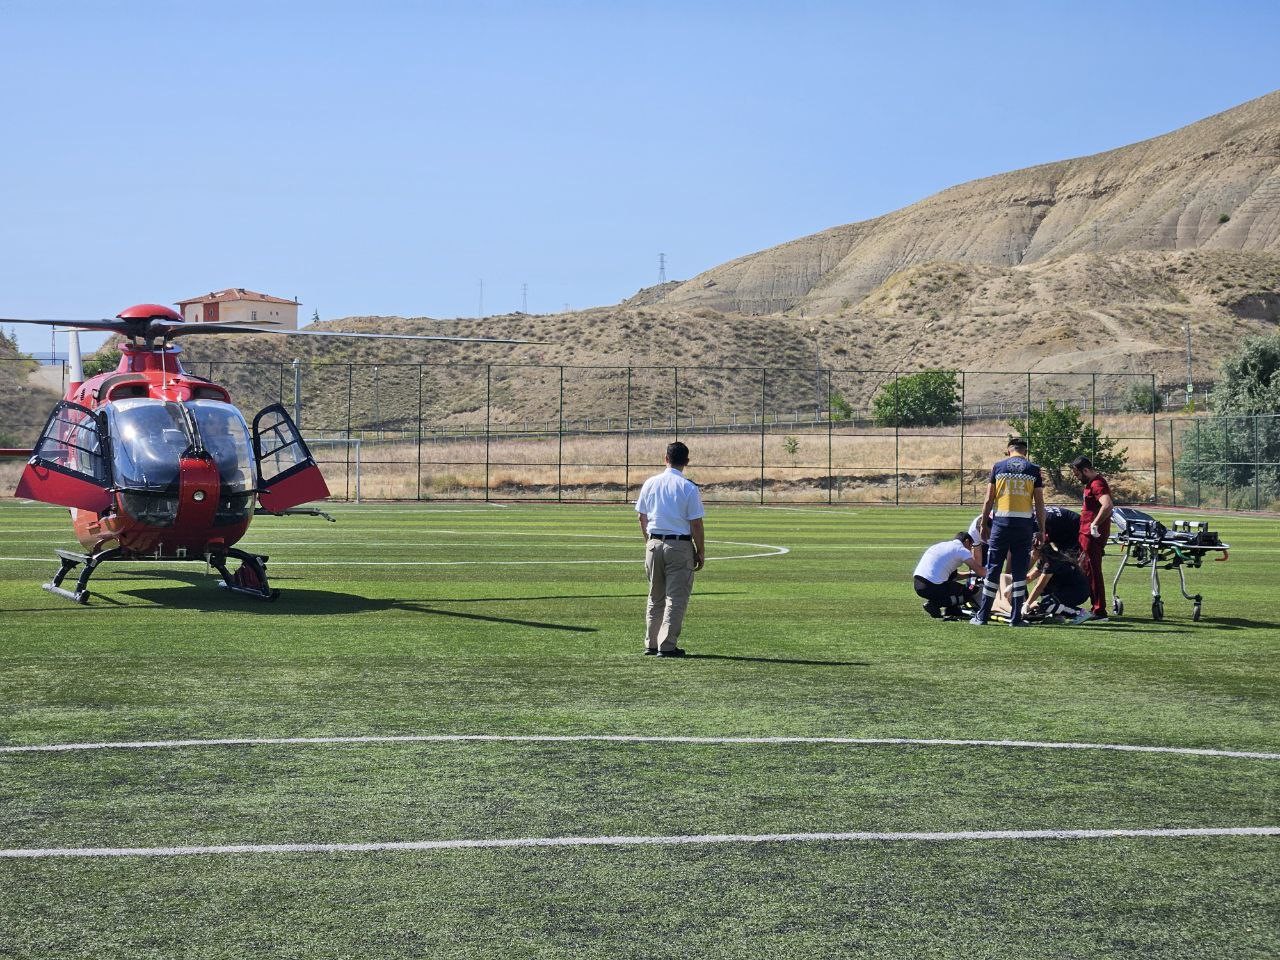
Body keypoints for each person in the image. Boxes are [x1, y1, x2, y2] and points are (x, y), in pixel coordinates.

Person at [635, 441, 706, 657]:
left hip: (654, 543)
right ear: (686, 462)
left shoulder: (650, 483)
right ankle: (667, 645)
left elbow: (641, 516)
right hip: (679, 544)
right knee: (676, 598)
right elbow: (696, 524)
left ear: (665, 458)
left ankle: (651, 643)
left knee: (655, 596)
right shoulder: (688, 487)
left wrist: (649, 540)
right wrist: (700, 550)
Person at [971, 438, 1047, 627]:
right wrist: (1041, 530)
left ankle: (982, 616)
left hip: (1001, 524)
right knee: (1020, 570)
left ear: (1008, 451)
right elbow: (1039, 503)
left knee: (994, 567)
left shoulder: (998, 467)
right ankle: (1016, 618)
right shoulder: (1033, 469)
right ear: (1025, 452)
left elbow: (989, 498)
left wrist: (983, 521)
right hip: (1023, 526)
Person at [1068, 455, 1115, 623]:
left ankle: (1099, 610)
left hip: (1091, 535)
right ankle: (1095, 606)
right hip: (1086, 533)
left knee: (1093, 571)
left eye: (1078, 474)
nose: (1077, 478)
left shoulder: (1097, 484)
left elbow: (1107, 504)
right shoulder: (1091, 483)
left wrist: (1094, 524)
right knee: (1087, 570)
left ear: (1086, 470)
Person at [913, 532, 985, 619]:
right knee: (968, 592)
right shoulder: (961, 549)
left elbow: (954, 577)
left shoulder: (941, 546)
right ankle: (935, 605)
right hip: (932, 585)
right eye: (971, 546)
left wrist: (970, 574)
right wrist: (994, 574)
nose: (970, 549)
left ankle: (951, 609)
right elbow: (980, 571)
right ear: (966, 541)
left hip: (918, 584)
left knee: (953, 587)